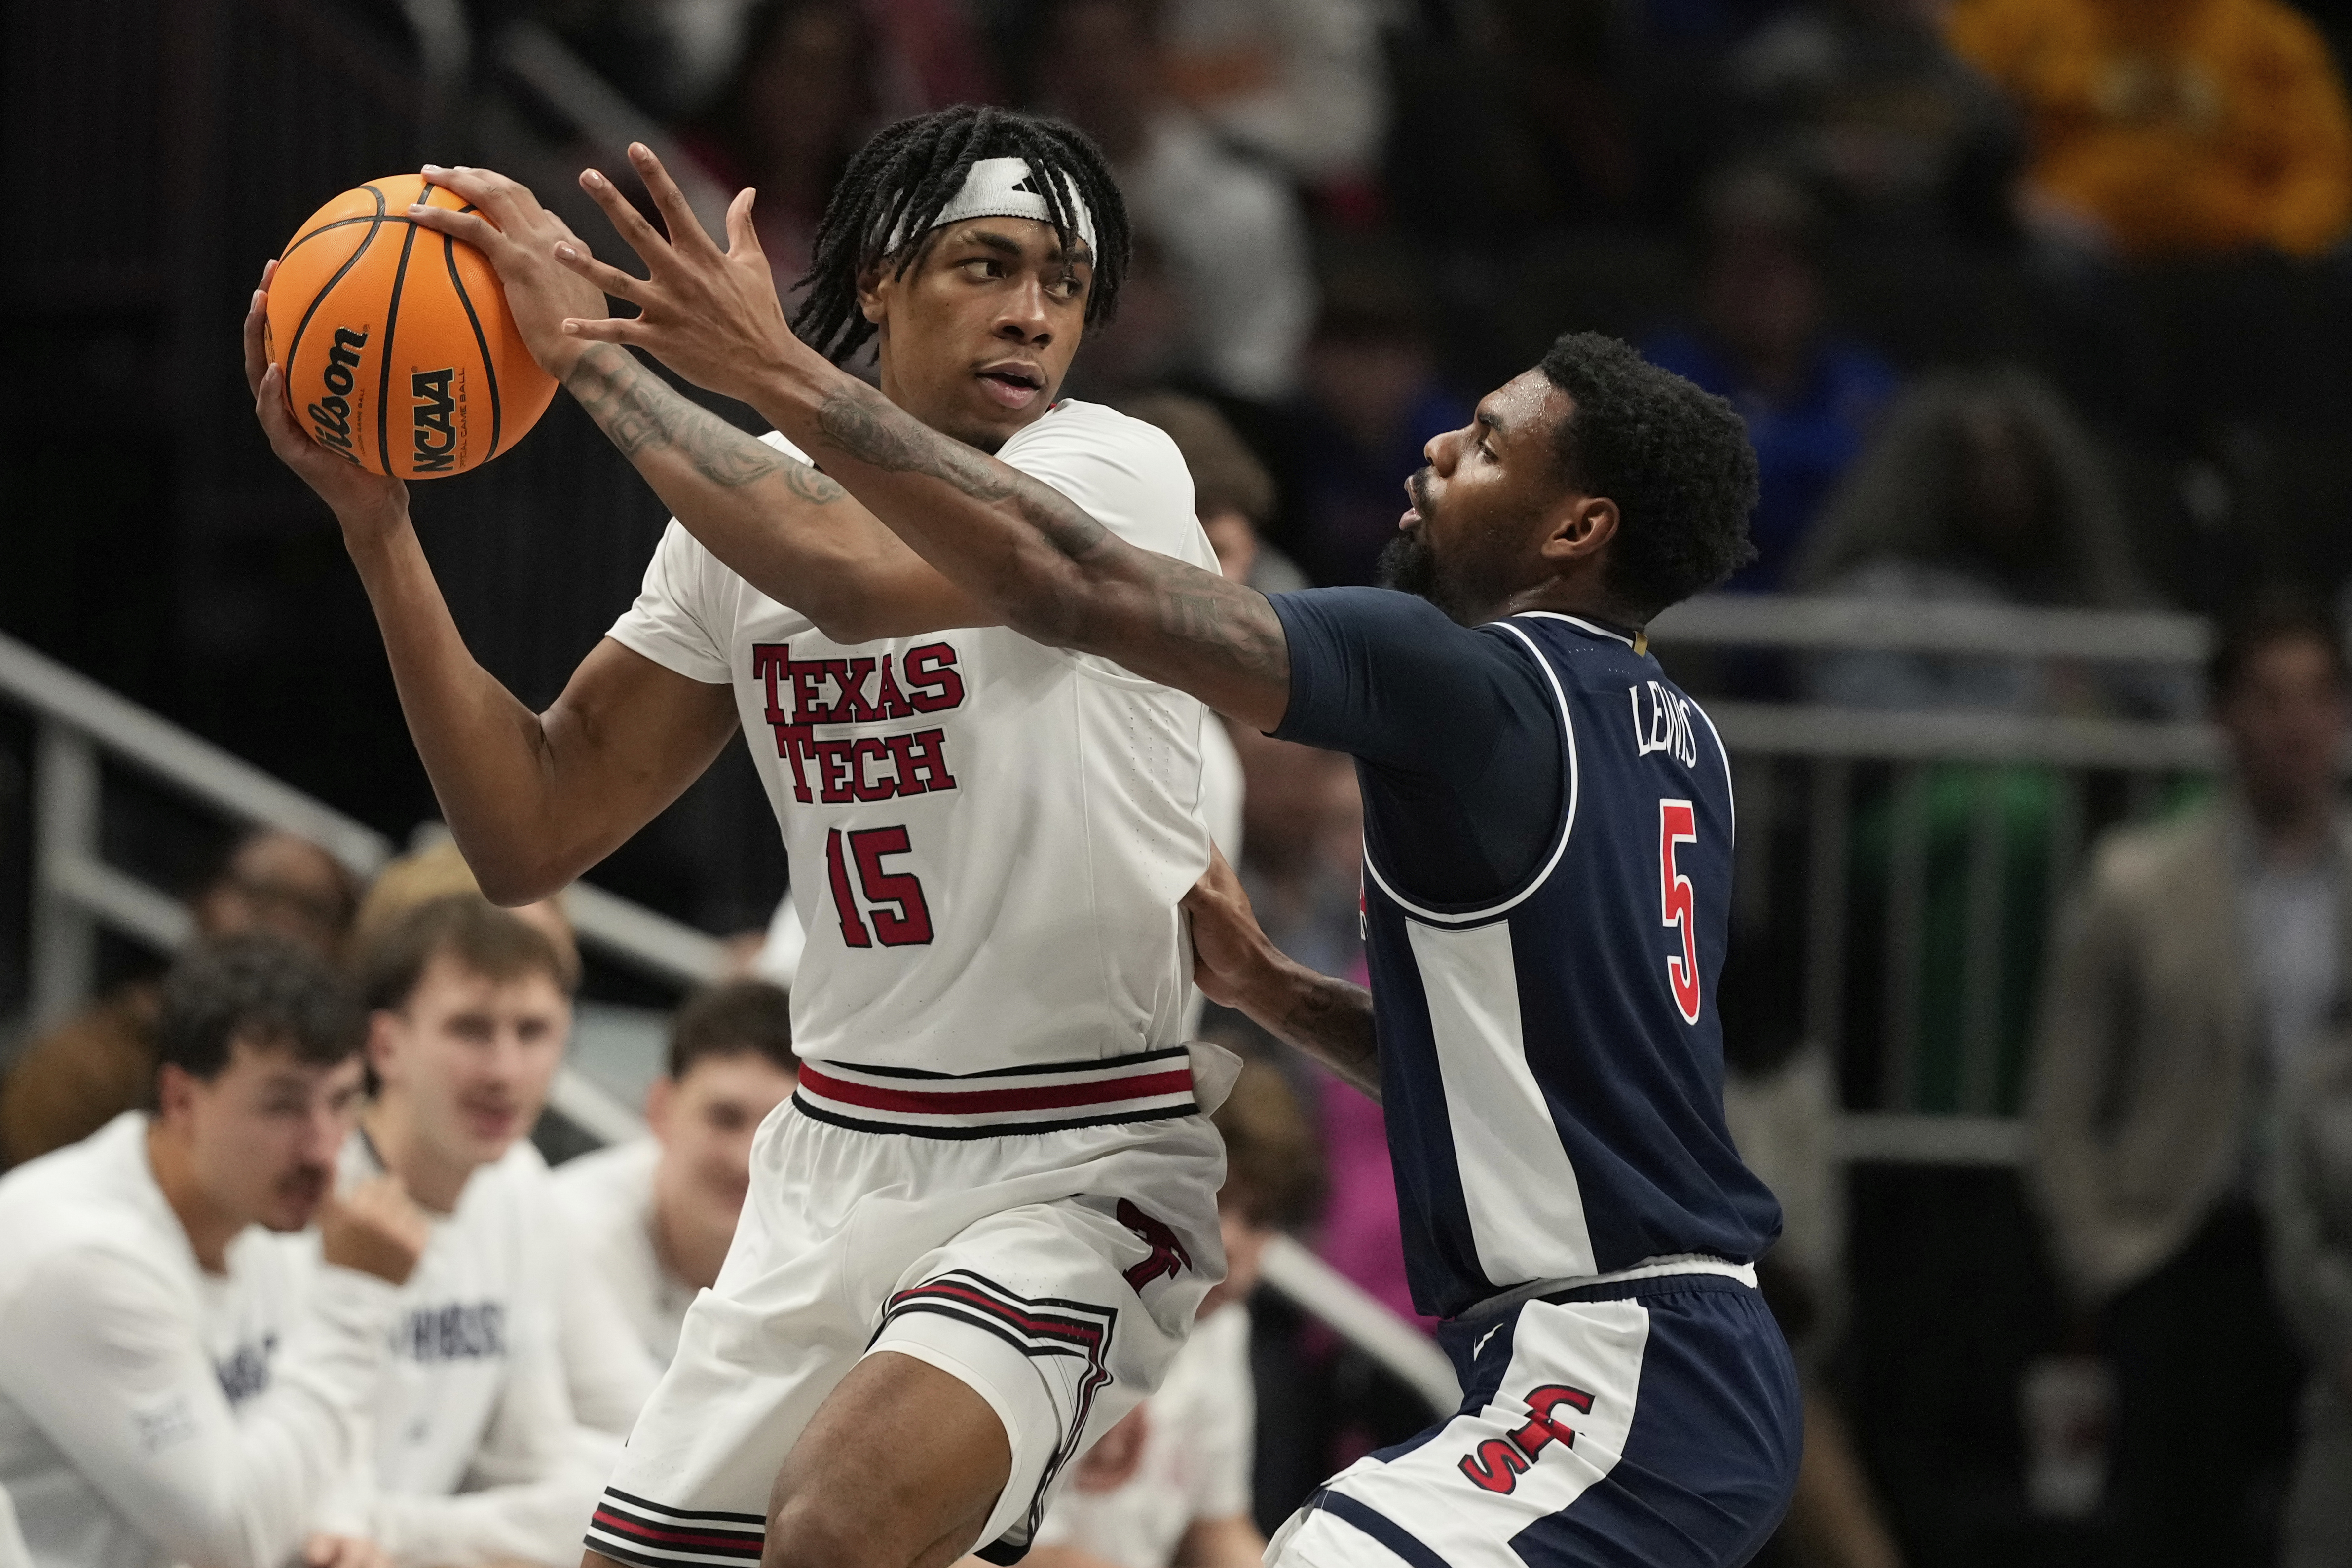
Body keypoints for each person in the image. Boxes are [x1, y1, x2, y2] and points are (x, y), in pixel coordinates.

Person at [558, 147, 1799, 1562]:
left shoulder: (1464, 680)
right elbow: (1529, 1083)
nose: (1435, 452)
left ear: (1576, 529)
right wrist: (1273, 990)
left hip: (1616, 1367)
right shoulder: (1674, 741)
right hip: (1667, 1356)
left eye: (1488, 446)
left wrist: (762, 368)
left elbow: (1068, 580)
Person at [248, 105, 1231, 1568]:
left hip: (1071, 1161)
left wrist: (593, 353)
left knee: (838, 1523)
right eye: (989, 264)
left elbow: (845, 572)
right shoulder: (737, 517)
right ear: (882, 276)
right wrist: (381, 535)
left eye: (1066, 284)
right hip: (832, 1157)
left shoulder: (1109, 472)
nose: (1035, 312)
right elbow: (527, 829)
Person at [2029, 593, 2350, 1567]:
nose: (2292, 725)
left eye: (2314, 697)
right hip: (2182, 1246)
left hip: (2336, 1253)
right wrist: (2102, 1258)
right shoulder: (2137, 882)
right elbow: (2062, 1102)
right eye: (2266, 698)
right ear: (2222, 715)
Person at [0, 935, 426, 1568]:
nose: (323, 1148)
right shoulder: (79, 1258)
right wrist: (357, 1298)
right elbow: (230, 1539)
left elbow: (328, 1427)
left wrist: (340, 1520)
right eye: (282, 1105)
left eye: (342, 1102)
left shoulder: (262, 1206)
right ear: (181, 1100)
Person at [324, 895, 614, 1566]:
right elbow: (306, 1512)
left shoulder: (517, 1182)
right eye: (470, 1030)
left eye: (532, 1032)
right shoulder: (308, 1189)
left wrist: (400, 1535)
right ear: (385, 1045)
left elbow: (537, 1459)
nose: (504, 1071)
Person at [1013, 1061, 1323, 1568]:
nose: (1232, 1243)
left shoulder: (1222, 1327)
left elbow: (1215, 1527)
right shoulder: (1050, 1301)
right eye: (1216, 1201)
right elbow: (984, 1553)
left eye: (1258, 1217)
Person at [1, 827, 362, 1167]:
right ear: (203, 902)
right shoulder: (90, 1066)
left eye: (312, 909)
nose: (282, 924)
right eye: (262, 895)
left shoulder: (350, 1083)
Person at [1644, 165, 1899, 594]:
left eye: (1780, 270)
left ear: (1816, 283)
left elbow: (1895, 503)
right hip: (1702, 609)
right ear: (1704, 284)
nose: (1761, 290)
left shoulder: (1862, 380)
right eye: (1742, 270)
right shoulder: (1661, 375)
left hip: (1838, 603)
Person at [1948, 0, 2352, 262]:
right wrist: (2008, 207)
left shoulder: (2262, 33)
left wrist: (2281, 238)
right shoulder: (2021, 17)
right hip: (2063, 255)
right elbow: (1947, 130)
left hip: (2232, 261)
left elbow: (2327, 162)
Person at [553, 980, 801, 1372]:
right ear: (661, 1109)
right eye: (725, 1119)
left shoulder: (837, 1250)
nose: (747, 1161)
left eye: (780, 1132)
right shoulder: (571, 1230)